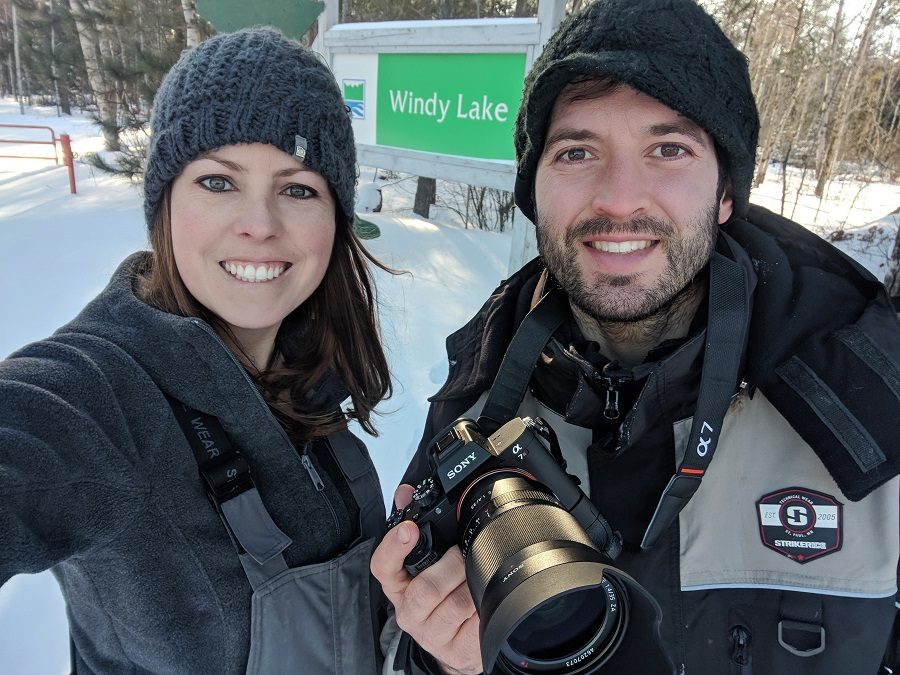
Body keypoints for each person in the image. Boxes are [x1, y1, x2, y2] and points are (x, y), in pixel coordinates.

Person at [372, 1, 900, 673]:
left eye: (668, 149)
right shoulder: (475, 401)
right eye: (578, 151)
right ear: (536, 187)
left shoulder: (872, 413)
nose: (620, 198)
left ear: (727, 193)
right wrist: (438, 661)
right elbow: (389, 645)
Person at [0, 28, 392, 673]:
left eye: (298, 189)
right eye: (217, 182)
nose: (261, 223)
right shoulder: (101, 393)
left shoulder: (313, 374)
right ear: (165, 204)